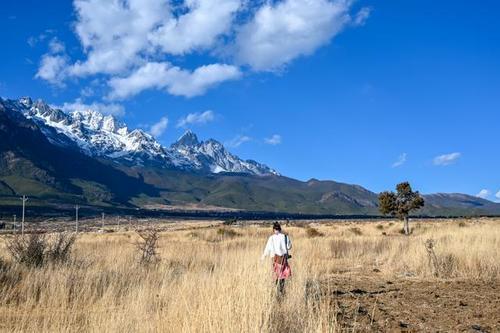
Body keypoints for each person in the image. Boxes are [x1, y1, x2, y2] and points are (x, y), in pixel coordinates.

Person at [261, 222, 292, 295]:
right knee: (282, 276)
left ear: (273, 229)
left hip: (275, 259)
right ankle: (281, 291)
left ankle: (278, 291)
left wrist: (263, 257)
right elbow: (289, 247)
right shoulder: (285, 237)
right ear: (280, 229)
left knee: (276, 276)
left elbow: (267, 249)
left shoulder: (271, 238)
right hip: (283, 259)